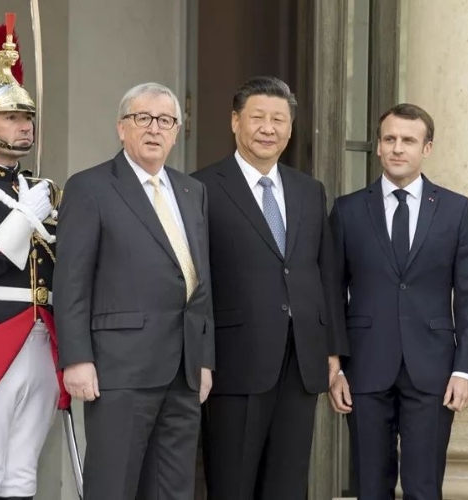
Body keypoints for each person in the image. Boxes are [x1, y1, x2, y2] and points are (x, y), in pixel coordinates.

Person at [54, 82, 214, 500]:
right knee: (114, 486)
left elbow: (199, 282)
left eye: (165, 121)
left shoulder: (191, 191)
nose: (154, 128)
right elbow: (71, 281)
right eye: (143, 118)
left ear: (176, 132)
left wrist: (204, 358)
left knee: (172, 489)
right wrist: (77, 359)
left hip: (183, 369)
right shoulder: (90, 187)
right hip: (119, 368)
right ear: (121, 128)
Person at [191, 75, 348, 500]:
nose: (268, 128)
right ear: (234, 121)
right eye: (257, 117)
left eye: (279, 119)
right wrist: (199, 354)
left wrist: (333, 349)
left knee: (288, 484)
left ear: (290, 128)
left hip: (301, 361)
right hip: (234, 361)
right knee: (232, 483)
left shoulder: (308, 190)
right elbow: (195, 281)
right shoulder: (200, 188)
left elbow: (324, 274)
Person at [327, 103, 468, 500]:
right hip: (364, 366)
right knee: (369, 486)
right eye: (390, 139)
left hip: (433, 369)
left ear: (426, 148)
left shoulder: (456, 209)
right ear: (379, 146)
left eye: (408, 140)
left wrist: (465, 370)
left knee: (424, 487)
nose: (398, 148)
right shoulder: (347, 209)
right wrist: (335, 365)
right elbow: (331, 293)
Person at [0, 19, 67, 500]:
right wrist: (23, 219)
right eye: (11, 117)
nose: (25, 126)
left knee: (22, 471)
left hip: (43, 333)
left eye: (28, 117)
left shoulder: (40, 189)